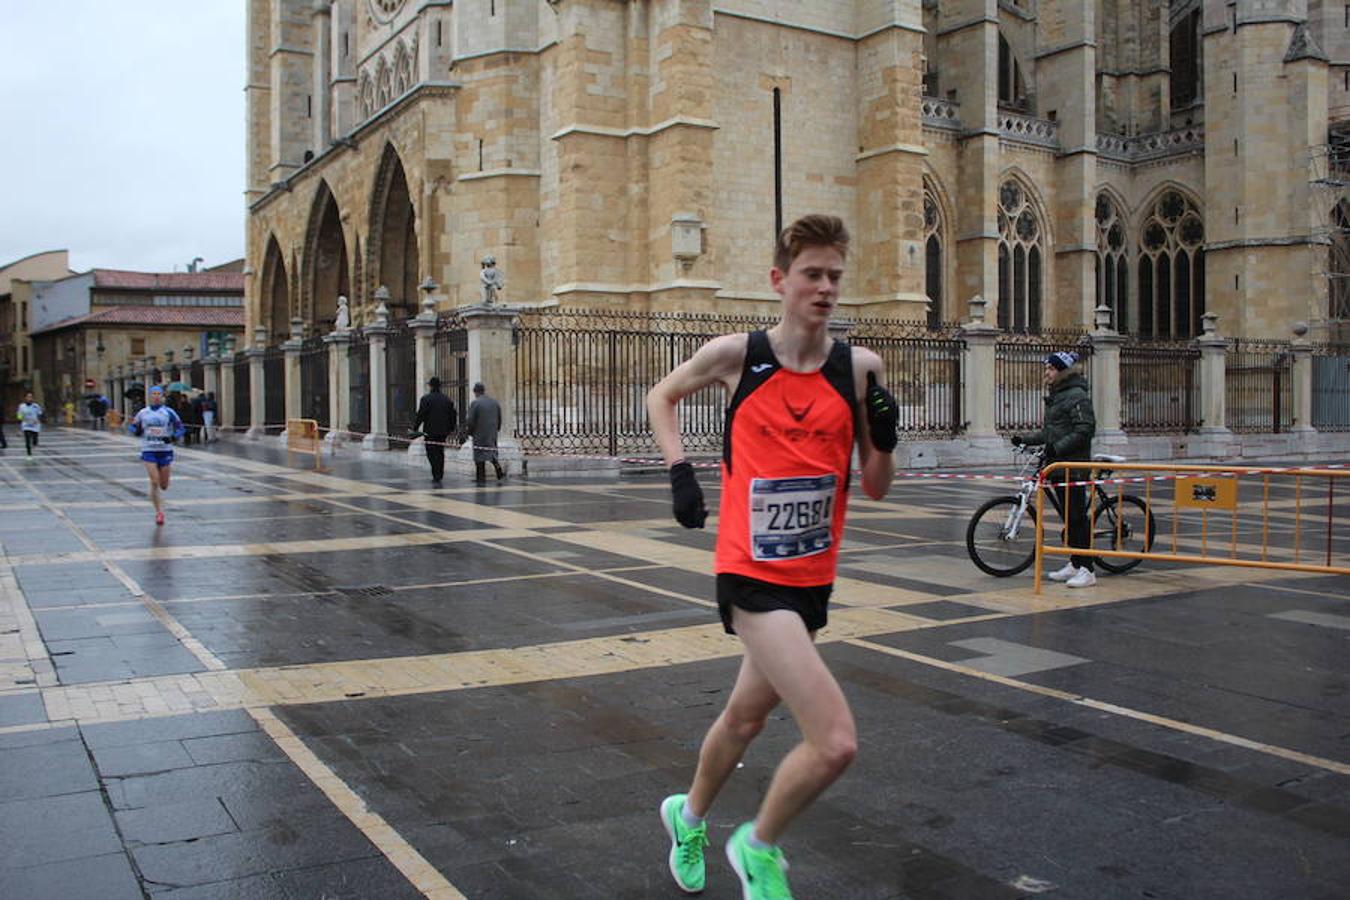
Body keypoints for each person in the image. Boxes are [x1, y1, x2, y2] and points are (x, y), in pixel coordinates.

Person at [647, 214, 898, 900]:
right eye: (812, 275)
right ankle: (756, 847)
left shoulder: (860, 369)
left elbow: (874, 486)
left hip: (812, 578)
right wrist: (680, 470)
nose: (825, 289)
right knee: (835, 741)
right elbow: (661, 397)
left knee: (745, 719)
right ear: (780, 281)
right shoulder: (740, 356)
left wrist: (883, 436)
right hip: (749, 574)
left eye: (835, 277)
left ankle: (687, 815)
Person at [1011, 350, 1098, 588]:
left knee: (1077, 517)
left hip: (1073, 466)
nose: (1046, 373)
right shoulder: (1059, 395)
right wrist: (1025, 440)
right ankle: (1075, 563)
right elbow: (1051, 433)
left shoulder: (1076, 395)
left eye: (1050, 369)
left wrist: (1056, 449)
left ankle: (1088, 569)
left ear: (1061, 371)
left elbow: (1085, 430)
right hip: (1059, 465)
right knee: (1069, 517)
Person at [128, 385, 185, 526]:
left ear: (162, 396)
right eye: (153, 394)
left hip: (165, 450)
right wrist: (135, 430)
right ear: (150, 396)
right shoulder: (143, 413)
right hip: (149, 450)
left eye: (158, 394)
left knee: (164, 485)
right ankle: (159, 512)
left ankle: (159, 499)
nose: (156, 396)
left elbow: (181, 428)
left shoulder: (168, 412)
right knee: (154, 481)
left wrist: (172, 437)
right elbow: (132, 427)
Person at [414, 376, 457, 485]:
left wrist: (415, 428)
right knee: (440, 451)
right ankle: (439, 473)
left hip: (430, 431)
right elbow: (453, 415)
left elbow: (421, 415)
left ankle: (435, 473)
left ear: (431, 386)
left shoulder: (426, 399)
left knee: (431, 452)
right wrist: (451, 428)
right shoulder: (447, 400)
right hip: (443, 431)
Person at [464, 381, 505, 482]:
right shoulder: (494, 402)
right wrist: (497, 428)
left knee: (479, 455)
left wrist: (469, 431)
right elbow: (499, 417)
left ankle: (480, 477)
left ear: (475, 392)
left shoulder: (475, 403)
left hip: (479, 433)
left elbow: (471, 420)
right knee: (492, 452)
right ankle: (498, 470)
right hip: (492, 432)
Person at [17, 392, 43, 457]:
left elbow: (40, 414)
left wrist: (38, 419)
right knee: (27, 439)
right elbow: (19, 415)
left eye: (30, 397)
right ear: (25, 398)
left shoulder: (36, 406)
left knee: (34, 440)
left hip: (35, 425)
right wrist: (20, 420)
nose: (29, 398)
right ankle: (29, 454)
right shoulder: (21, 406)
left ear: (32, 398)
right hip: (26, 425)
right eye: (28, 397)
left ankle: (35, 443)